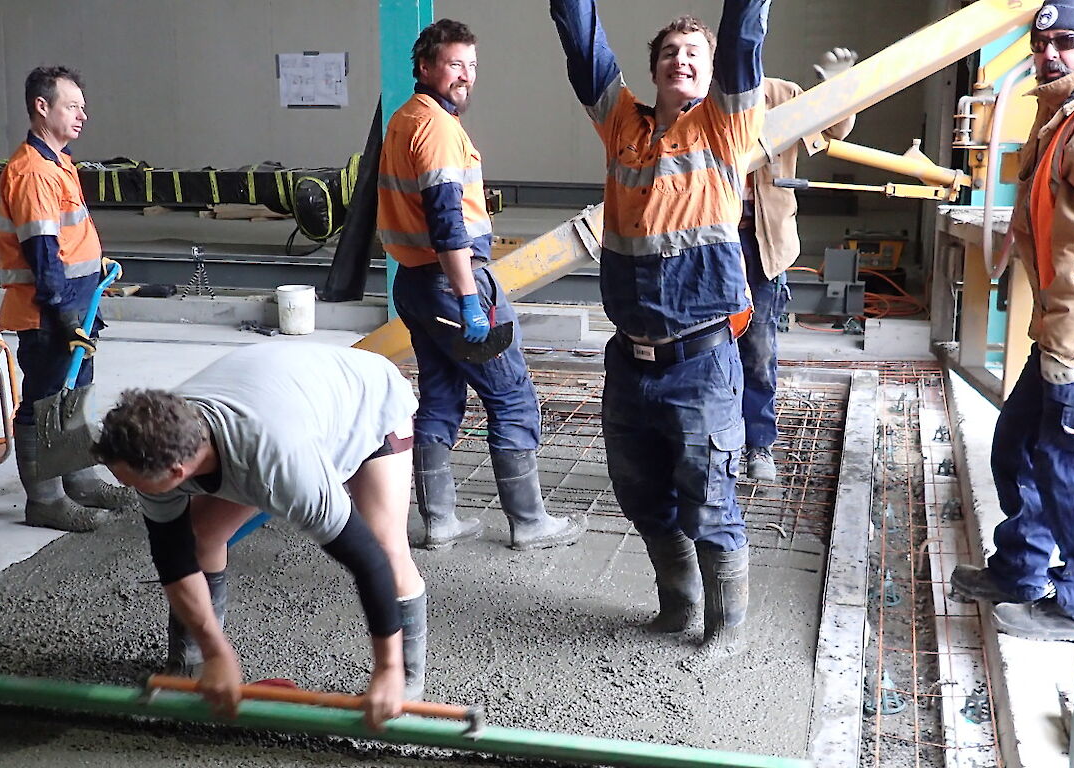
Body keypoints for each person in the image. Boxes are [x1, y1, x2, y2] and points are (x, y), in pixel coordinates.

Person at [550, 0, 767, 658]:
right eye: (670, 54)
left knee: (710, 500)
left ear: (710, 76)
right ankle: (678, 607)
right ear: (654, 72)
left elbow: (741, 41)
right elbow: (583, 46)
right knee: (642, 495)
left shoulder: (726, 128)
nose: (682, 61)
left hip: (701, 363)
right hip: (630, 363)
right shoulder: (623, 125)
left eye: (693, 56)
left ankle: (725, 629)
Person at [94, 343, 434, 727]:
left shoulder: (281, 466)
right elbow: (173, 557)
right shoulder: (155, 439)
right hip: (284, 397)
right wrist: (217, 653)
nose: (122, 484)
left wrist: (385, 668)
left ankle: (401, 684)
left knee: (387, 548)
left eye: (127, 479)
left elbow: (367, 560)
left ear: (176, 473)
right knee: (199, 534)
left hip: (366, 403)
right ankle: (192, 665)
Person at [948, 0, 1074, 642]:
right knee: (1016, 447)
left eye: (1068, 42)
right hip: (1055, 328)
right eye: (1042, 40)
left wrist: (1071, 350)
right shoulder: (1063, 116)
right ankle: (1019, 572)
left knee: (1067, 468)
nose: (1050, 53)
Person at [378, 19, 583, 552]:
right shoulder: (439, 130)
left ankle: (439, 520)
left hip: (414, 285)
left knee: (441, 398)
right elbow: (448, 224)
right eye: (454, 64)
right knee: (512, 397)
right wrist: (471, 301)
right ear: (425, 67)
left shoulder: (404, 121)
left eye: (472, 66)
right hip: (452, 283)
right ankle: (530, 522)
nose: (466, 76)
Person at [0, 66, 135, 533]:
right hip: (48, 309)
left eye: (82, 106)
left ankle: (79, 480)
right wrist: (63, 312)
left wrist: (94, 267)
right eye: (72, 106)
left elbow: (65, 237)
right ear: (42, 107)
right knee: (44, 400)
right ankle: (46, 501)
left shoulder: (58, 161)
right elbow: (41, 252)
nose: (82, 115)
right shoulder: (33, 172)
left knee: (73, 393)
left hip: (76, 301)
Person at [738, 50, 859, 482]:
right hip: (709, 245)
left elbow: (833, 129)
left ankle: (757, 446)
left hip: (762, 244)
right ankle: (713, 443)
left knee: (758, 349)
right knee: (704, 349)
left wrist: (837, 88)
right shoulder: (698, 101)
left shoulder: (780, 94)